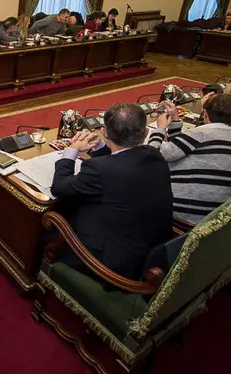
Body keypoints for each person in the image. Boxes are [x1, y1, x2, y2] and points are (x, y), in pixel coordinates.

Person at [49, 103, 173, 281]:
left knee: (49, 219)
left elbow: (59, 187)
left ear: (104, 132)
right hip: (148, 253)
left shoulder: (99, 170)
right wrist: (101, 148)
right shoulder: (155, 155)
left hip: (111, 264)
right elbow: (120, 164)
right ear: (146, 132)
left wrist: (71, 151)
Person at [147, 95, 231, 224]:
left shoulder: (201, 134)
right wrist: (176, 120)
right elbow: (179, 148)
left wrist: (160, 128)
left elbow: (152, 155)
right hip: (214, 219)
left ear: (205, 113)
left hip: (179, 214)